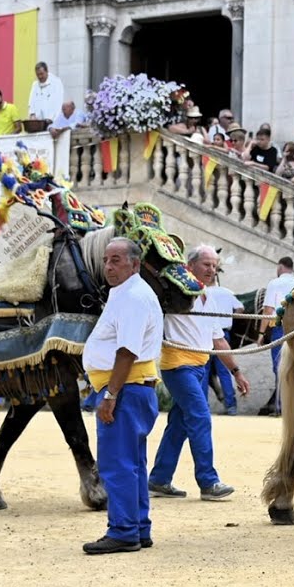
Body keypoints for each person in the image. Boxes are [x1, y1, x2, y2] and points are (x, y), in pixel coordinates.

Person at [82, 237, 164, 554]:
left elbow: (127, 351)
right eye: (106, 259)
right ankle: (137, 527)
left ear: (134, 263)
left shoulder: (132, 296)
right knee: (132, 464)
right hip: (133, 388)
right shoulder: (129, 293)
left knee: (118, 465)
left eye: (116, 260)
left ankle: (124, 530)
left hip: (125, 389)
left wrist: (111, 394)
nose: (109, 266)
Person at [148, 245, 249, 500]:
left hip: (200, 366)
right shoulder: (175, 291)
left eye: (215, 266)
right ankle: (208, 481)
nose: (212, 270)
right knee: (200, 417)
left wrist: (236, 372)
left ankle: (159, 480)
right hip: (178, 365)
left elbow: (219, 341)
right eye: (207, 264)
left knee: (179, 425)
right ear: (190, 265)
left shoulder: (211, 297)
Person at [258, 257, 294, 417]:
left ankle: (281, 407)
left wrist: (261, 334)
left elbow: (268, 311)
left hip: (280, 328)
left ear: (280, 266)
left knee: (279, 368)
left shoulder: (274, 283)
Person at [203, 274, 245, 416]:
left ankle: (203, 407)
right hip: (223, 335)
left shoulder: (203, 293)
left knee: (204, 371)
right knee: (224, 372)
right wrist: (230, 317)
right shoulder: (228, 292)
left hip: (206, 334)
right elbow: (241, 308)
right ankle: (231, 406)